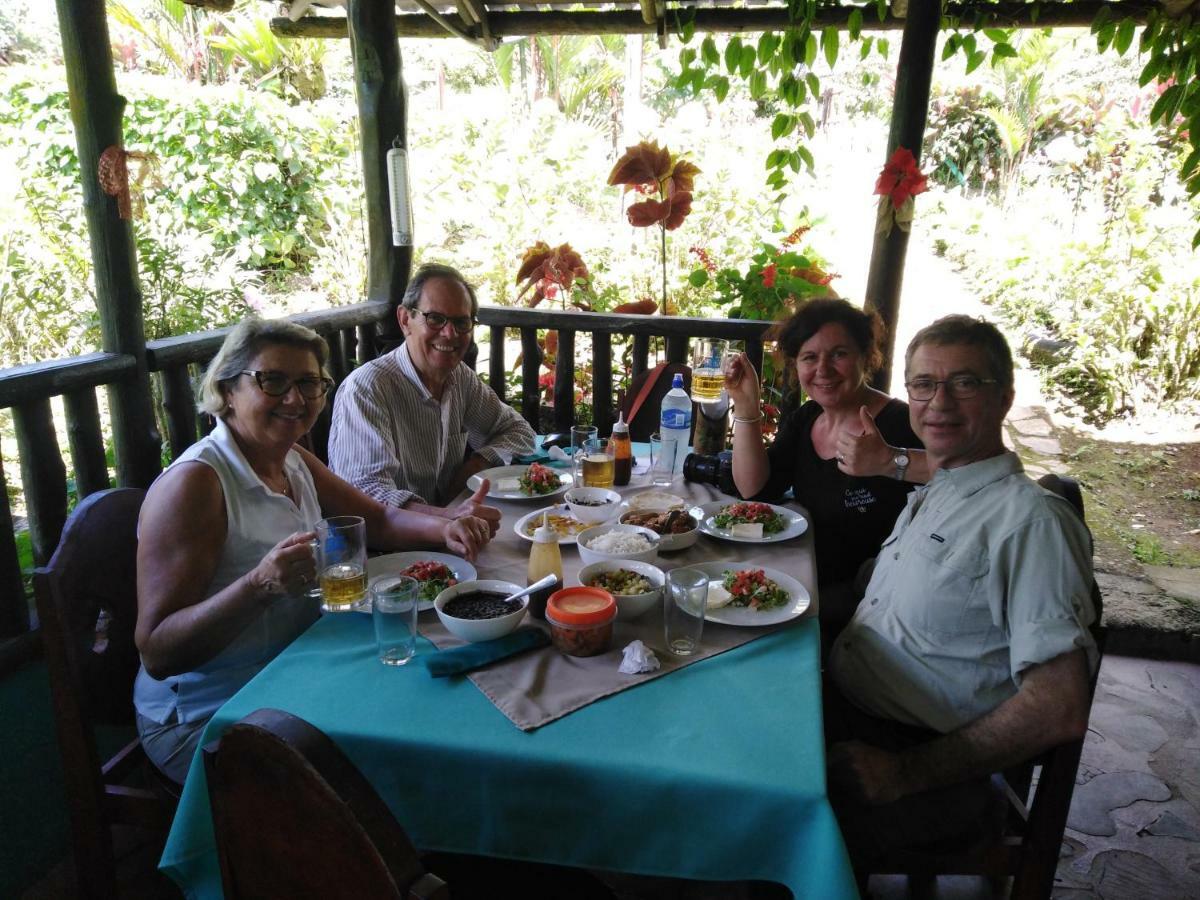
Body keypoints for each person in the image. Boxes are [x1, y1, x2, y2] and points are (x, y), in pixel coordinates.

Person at [133, 318, 493, 784]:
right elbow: (158, 652)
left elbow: (379, 519)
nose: (295, 399)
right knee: (396, 761)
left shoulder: (293, 458)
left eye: (309, 383)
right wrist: (258, 586)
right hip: (214, 716)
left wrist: (442, 532)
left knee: (437, 700)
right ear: (227, 389)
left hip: (298, 670)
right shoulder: (196, 484)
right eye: (273, 380)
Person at [823, 315, 1099, 873]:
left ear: (1004, 398)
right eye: (924, 385)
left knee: (748, 812)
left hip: (929, 767)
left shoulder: (1030, 523)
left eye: (965, 382)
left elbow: (1058, 708)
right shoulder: (941, 489)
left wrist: (905, 774)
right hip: (852, 710)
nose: (939, 403)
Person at [724, 297, 929, 638]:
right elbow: (754, 488)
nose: (823, 369)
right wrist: (746, 406)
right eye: (809, 357)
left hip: (866, 597)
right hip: (804, 573)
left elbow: (963, 474)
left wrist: (890, 461)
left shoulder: (900, 422)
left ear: (865, 356)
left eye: (839, 354)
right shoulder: (809, 418)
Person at [328, 263, 535, 529]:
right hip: (385, 550)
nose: (450, 334)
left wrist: (476, 464)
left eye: (462, 322)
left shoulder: (460, 377)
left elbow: (518, 430)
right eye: (435, 318)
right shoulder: (367, 389)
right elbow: (366, 496)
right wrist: (445, 519)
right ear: (405, 320)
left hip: (448, 536)